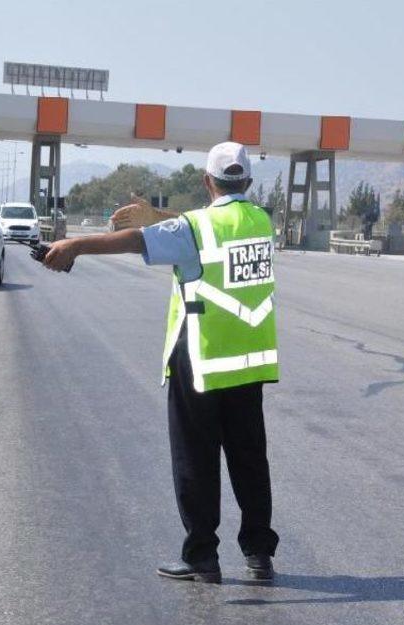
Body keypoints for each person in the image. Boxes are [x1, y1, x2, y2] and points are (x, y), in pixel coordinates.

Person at [43, 142, 279, 584]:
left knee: (195, 458)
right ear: (247, 181)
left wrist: (75, 245)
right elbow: (205, 224)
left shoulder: (196, 227)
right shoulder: (261, 222)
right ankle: (259, 553)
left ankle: (202, 557)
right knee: (250, 460)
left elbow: (139, 240)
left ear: (207, 182)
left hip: (202, 357)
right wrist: (160, 217)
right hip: (248, 363)